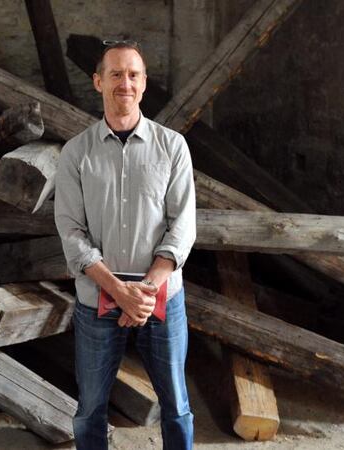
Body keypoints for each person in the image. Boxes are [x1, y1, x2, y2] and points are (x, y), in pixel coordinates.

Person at [54, 40, 197, 450]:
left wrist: (146, 292)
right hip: (98, 296)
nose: (125, 83)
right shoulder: (76, 153)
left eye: (133, 74)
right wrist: (119, 291)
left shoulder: (173, 147)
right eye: (115, 74)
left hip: (161, 298)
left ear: (144, 83)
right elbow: (71, 231)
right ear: (98, 81)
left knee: (177, 406)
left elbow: (182, 225)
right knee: (90, 409)